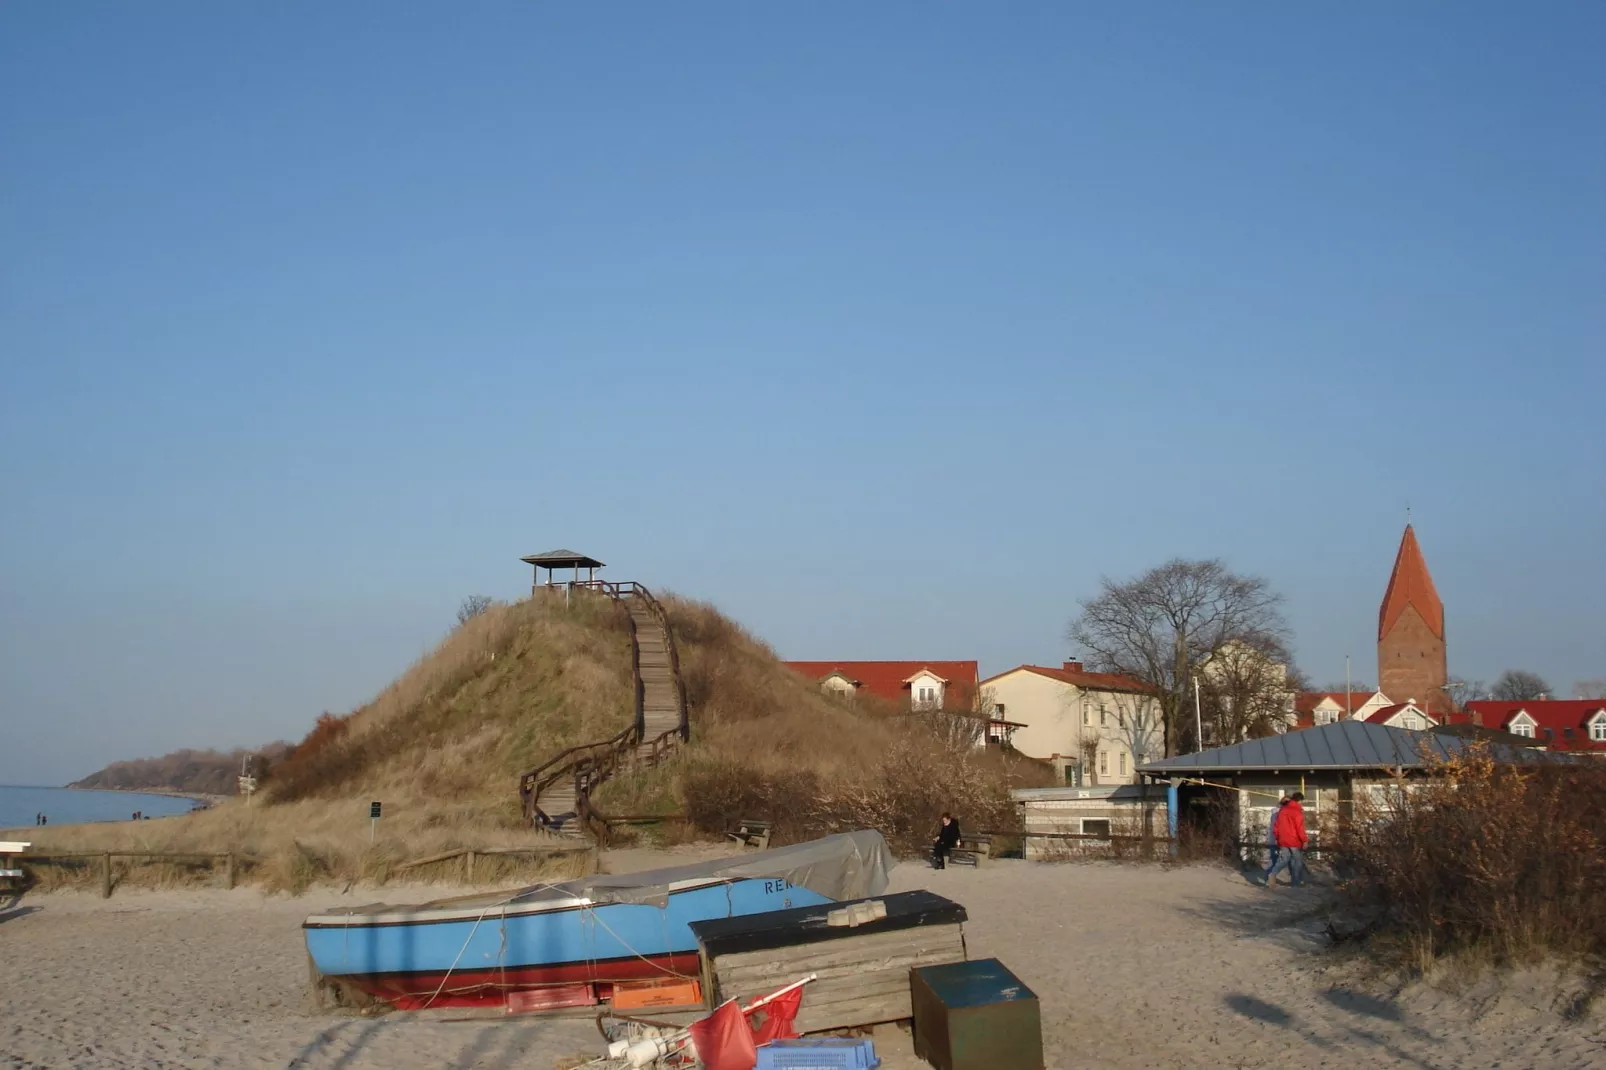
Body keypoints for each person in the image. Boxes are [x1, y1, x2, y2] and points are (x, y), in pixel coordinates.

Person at [1262, 792, 1308, 888]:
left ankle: (1273, 873)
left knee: (1284, 859)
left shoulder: (1282, 810)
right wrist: (1304, 840)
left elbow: (1276, 826)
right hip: (1294, 840)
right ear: (1299, 801)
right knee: (1297, 861)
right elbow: (1300, 828)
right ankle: (1296, 883)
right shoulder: (1297, 811)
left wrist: (1278, 837)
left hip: (1283, 840)